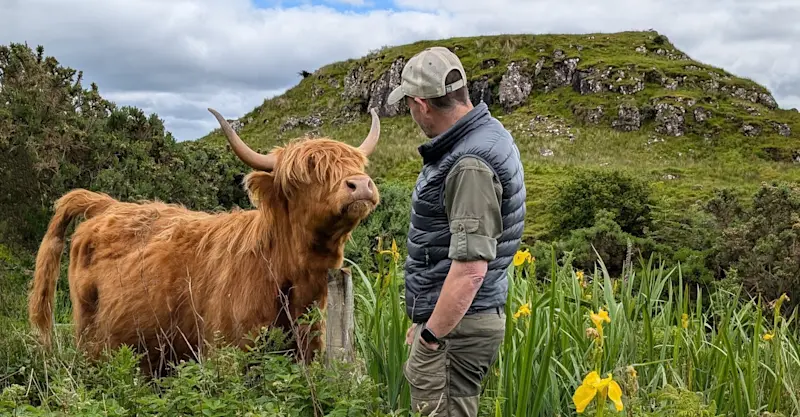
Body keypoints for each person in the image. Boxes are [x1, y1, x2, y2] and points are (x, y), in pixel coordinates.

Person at [386, 46, 526, 417]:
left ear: (421, 103)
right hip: (459, 322)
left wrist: (432, 335)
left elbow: (470, 270)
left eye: (409, 105)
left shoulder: (469, 164)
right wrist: (428, 322)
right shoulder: (487, 135)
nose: (411, 113)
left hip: (457, 330)